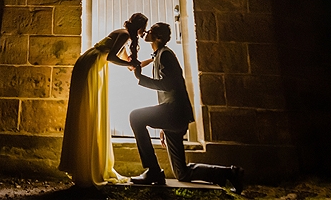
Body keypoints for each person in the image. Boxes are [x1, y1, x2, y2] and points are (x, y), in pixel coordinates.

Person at [129, 22, 245, 193]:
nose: (147, 31)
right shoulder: (160, 54)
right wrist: (164, 124)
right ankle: (231, 173)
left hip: (174, 113)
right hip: (174, 116)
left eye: (151, 30)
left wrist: (140, 78)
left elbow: (168, 85)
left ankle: (153, 171)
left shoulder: (165, 55)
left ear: (158, 37)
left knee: (135, 117)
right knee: (182, 173)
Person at [58, 12, 149, 187]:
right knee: (87, 110)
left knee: (90, 109)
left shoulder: (125, 37)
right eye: (143, 29)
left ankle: (87, 163)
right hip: (90, 65)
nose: (143, 32)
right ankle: (84, 165)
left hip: (92, 65)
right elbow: (111, 57)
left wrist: (146, 61)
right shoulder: (124, 35)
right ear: (139, 27)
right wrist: (130, 64)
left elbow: (128, 65)